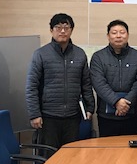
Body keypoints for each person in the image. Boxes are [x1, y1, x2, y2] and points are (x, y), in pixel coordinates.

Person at [26, 13, 94, 150]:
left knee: (71, 155)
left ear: (71, 30)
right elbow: (31, 87)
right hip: (48, 117)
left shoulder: (80, 54)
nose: (62, 31)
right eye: (58, 27)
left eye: (66, 27)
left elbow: (86, 84)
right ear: (51, 30)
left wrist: (90, 107)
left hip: (73, 116)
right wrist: (34, 114)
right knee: (49, 156)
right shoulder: (40, 54)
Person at [90, 20, 137, 136]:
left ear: (128, 35)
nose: (118, 36)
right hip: (106, 117)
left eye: (122, 32)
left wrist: (126, 103)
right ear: (108, 36)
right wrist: (116, 102)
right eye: (114, 33)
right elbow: (99, 83)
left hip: (132, 115)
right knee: (108, 147)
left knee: (131, 147)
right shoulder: (98, 57)